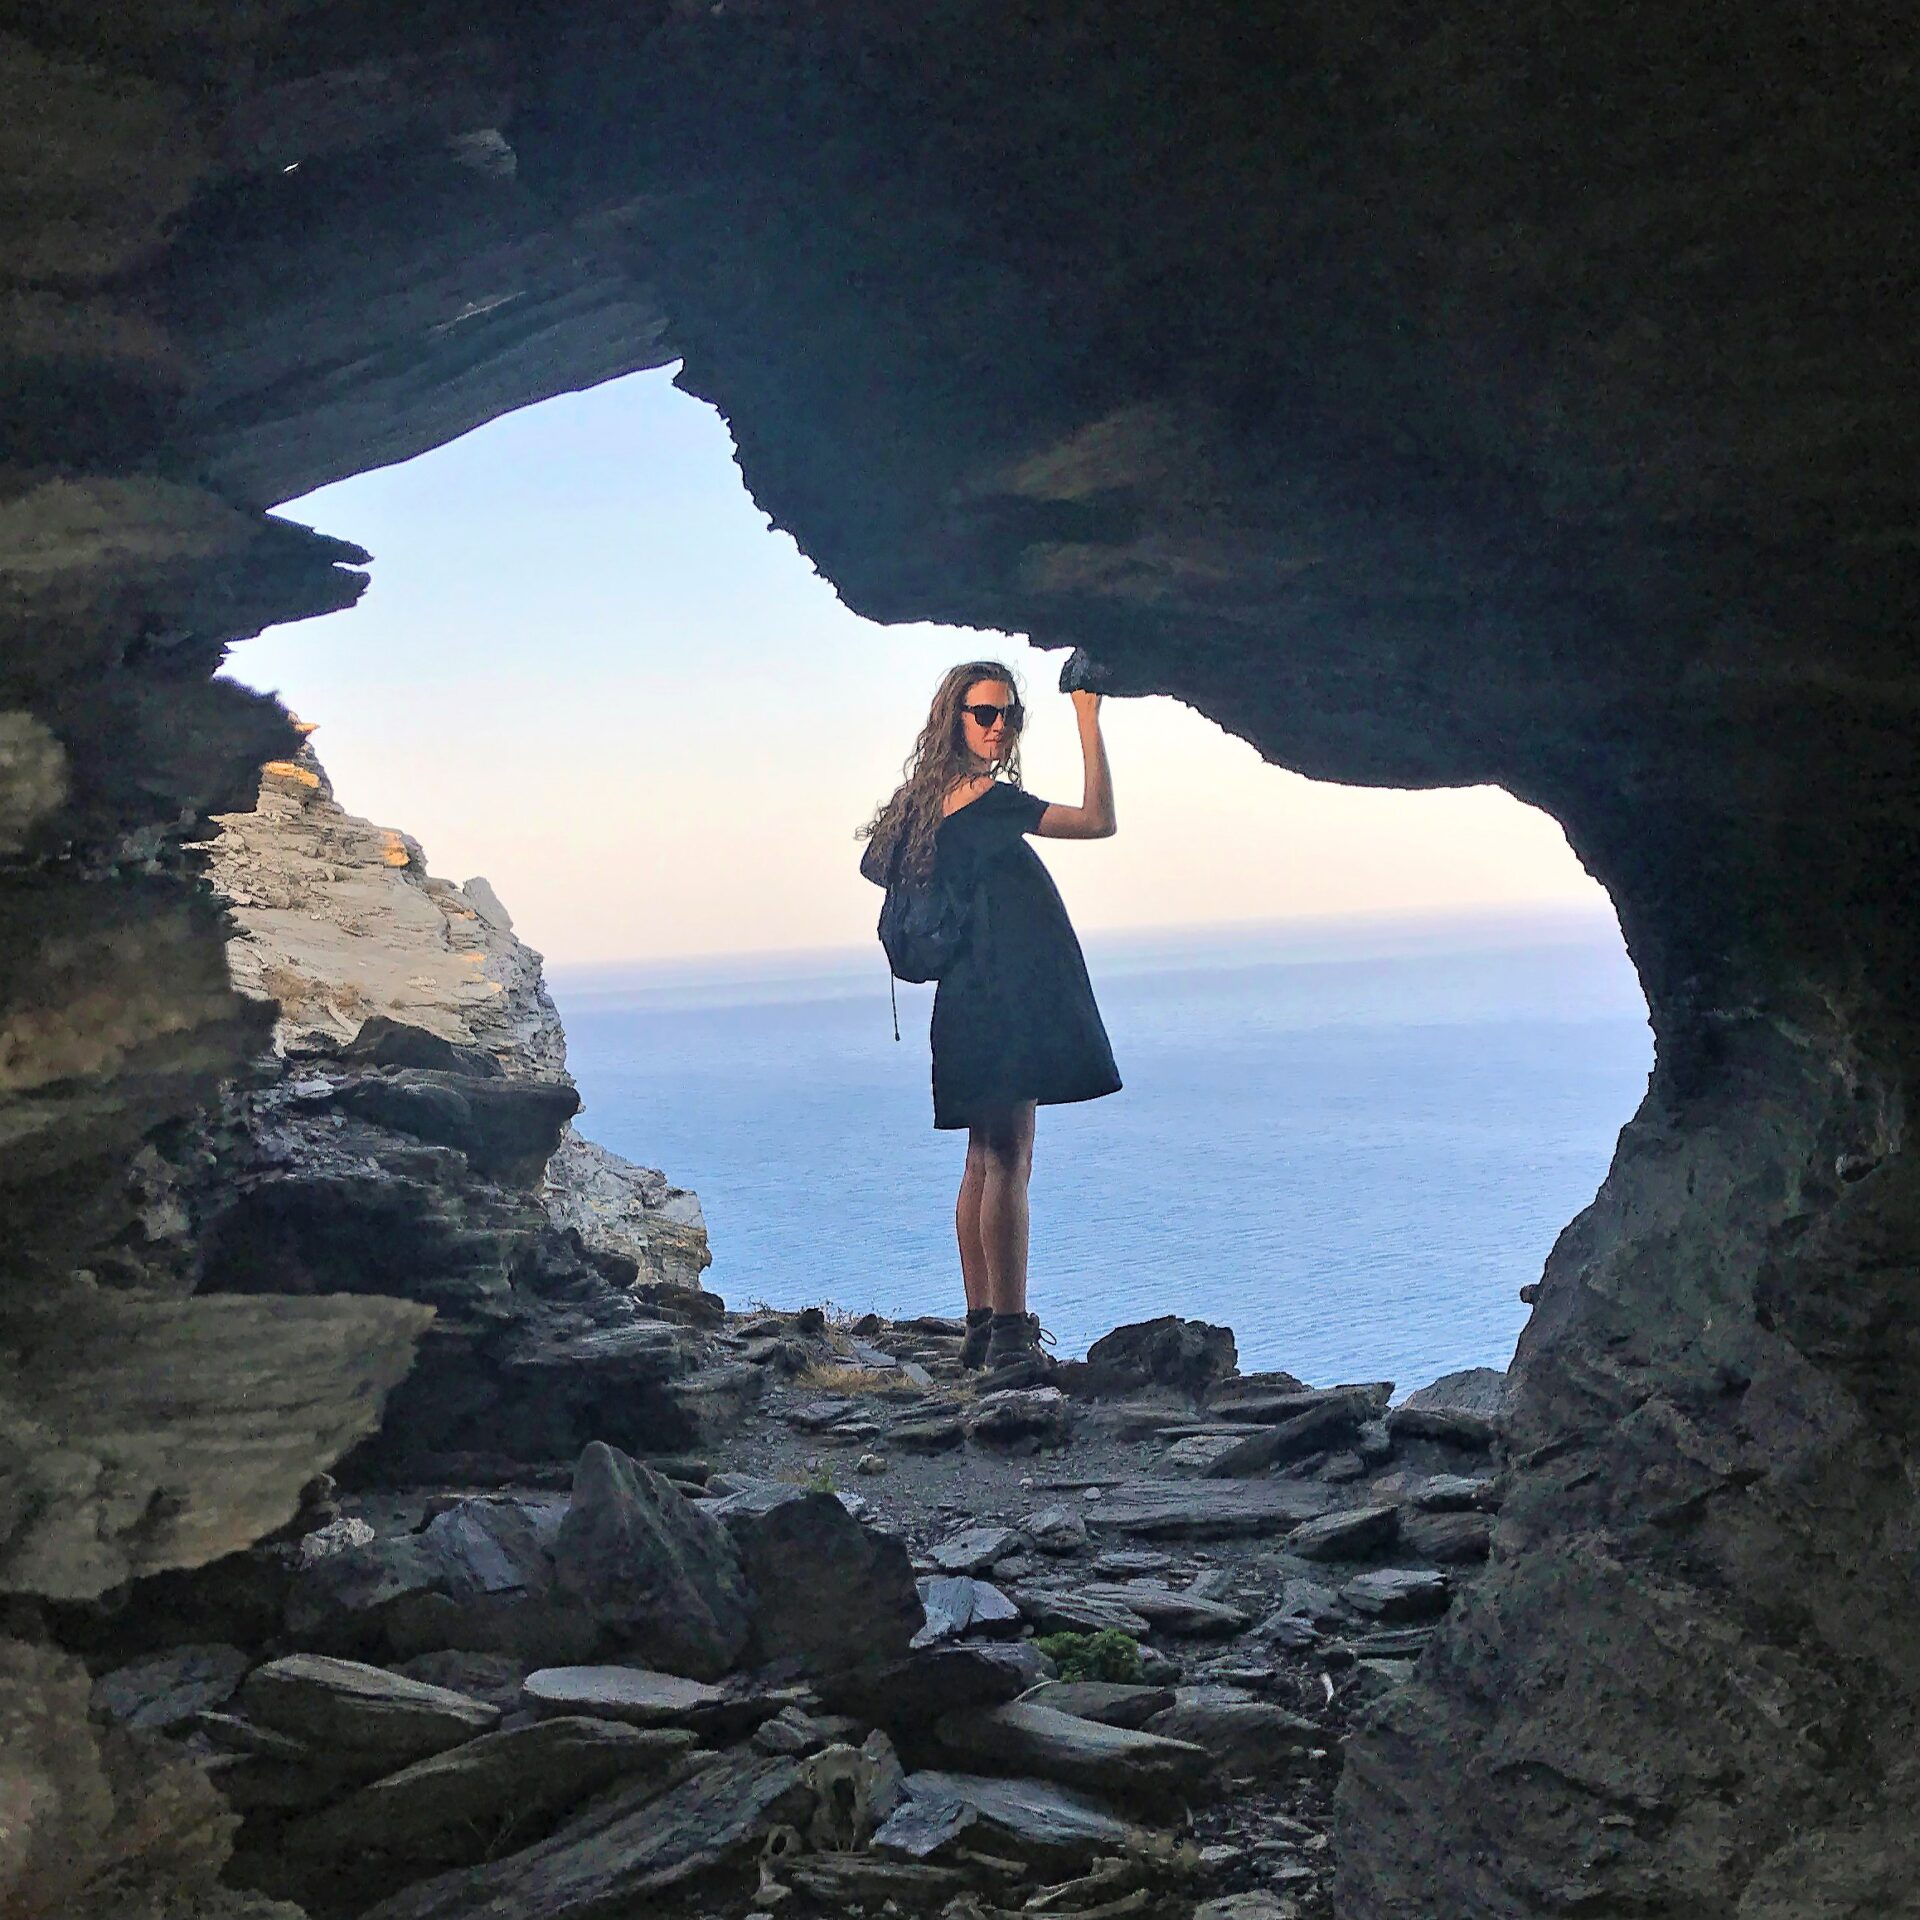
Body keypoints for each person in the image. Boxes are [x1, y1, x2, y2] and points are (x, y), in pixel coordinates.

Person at [859, 660, 1122, 1377]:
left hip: (966, 997)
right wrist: (1089, 721)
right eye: (983, 713)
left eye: (1008, 713)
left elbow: (880, 866)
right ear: (955, 718)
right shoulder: (987, 799)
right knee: (1009, 1160)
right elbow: (1098, 821)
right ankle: (1009, 1334)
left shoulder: (921, 803)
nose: (998, 726)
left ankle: (981, 1325)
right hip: (1003, 994)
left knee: (983, 1156)